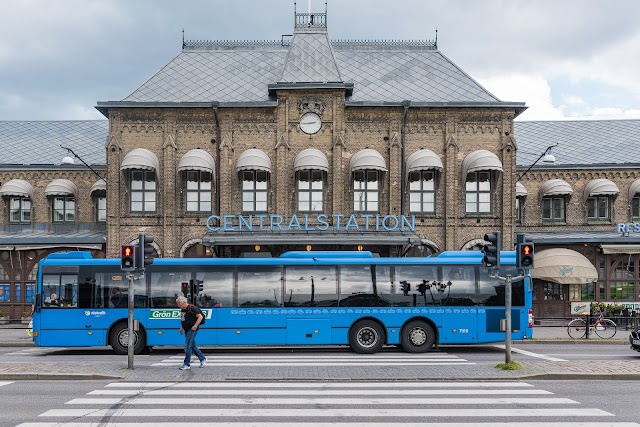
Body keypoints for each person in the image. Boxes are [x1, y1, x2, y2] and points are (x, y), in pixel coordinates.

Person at [176, 296, 206, 370]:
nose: (178, 306)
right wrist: (181, 327)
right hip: (186, 329)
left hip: (192, 329)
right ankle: (202, 358)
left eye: (179, 304)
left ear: (183, 303)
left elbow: (200, 317)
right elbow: (183, 319)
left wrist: (195, 326)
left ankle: (187, 364)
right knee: (192, 346)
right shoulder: (183, 310)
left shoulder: (192, 308)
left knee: (187, 346)